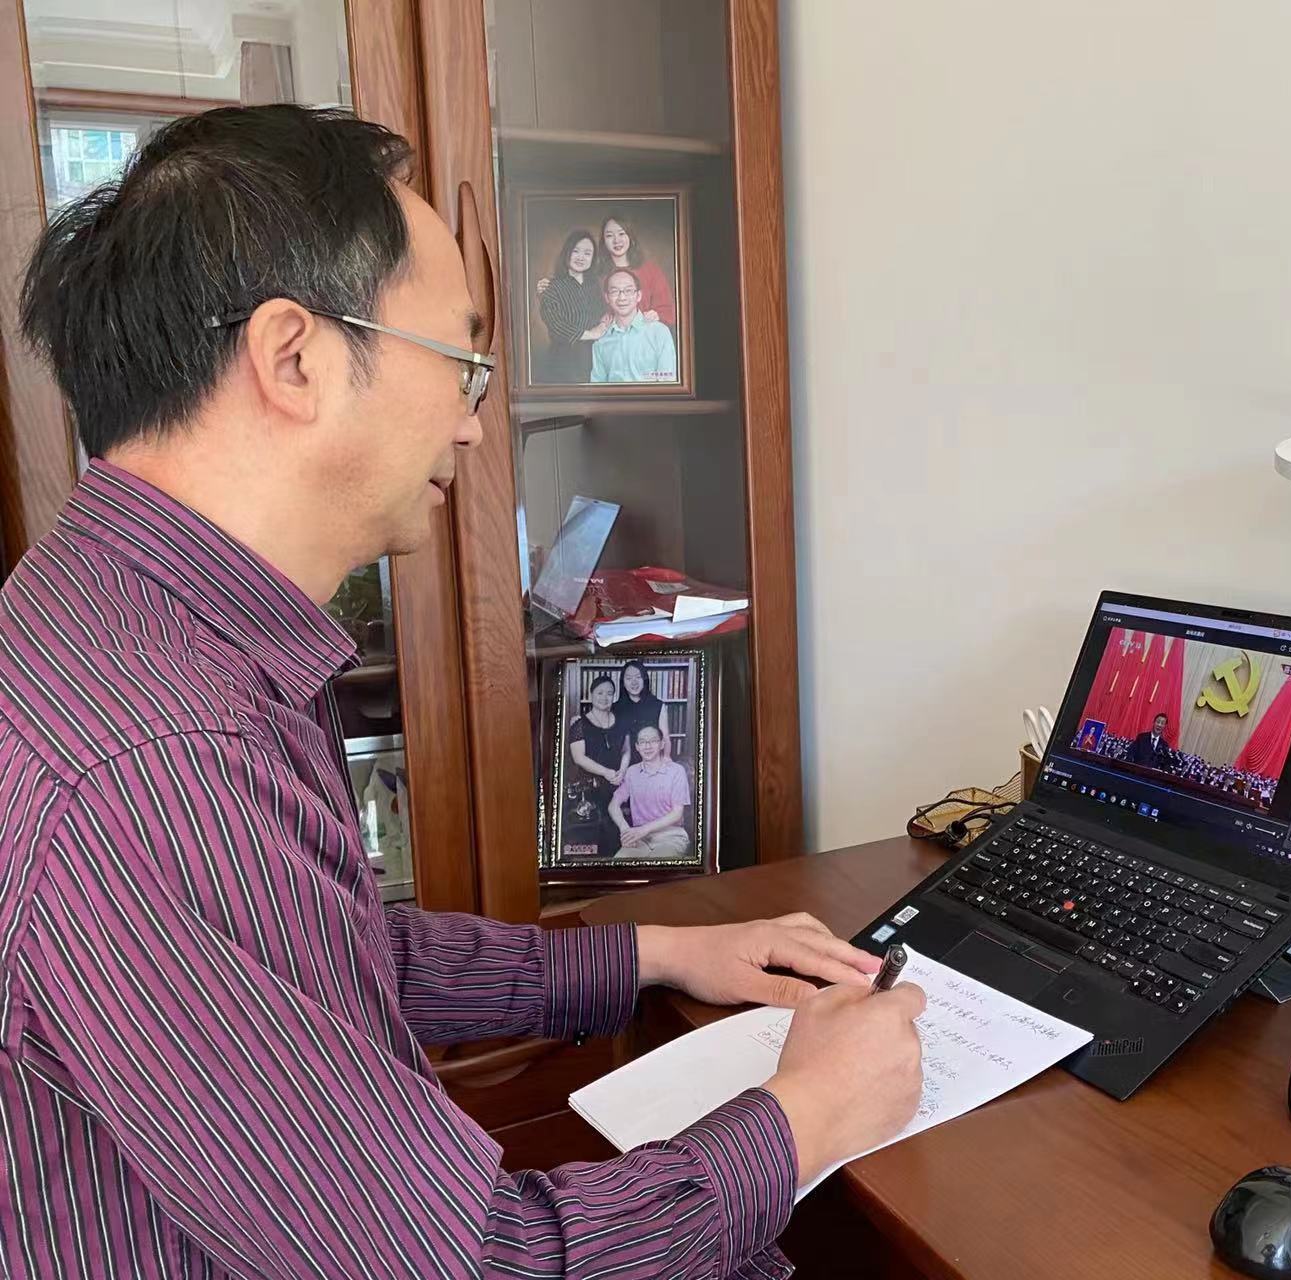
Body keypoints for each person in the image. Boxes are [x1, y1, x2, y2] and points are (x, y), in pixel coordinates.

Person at [0, 104, 925, 1279]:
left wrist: (649, 951)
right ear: (293, 358)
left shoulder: (111, 618)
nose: (475, 425)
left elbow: (319, 957)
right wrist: (809, 1115)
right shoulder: (160, 757)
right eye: (461, 364)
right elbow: (475, 1263)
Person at [535, 227, 608, 382]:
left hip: (596, 355)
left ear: (593, 258)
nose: (581, 257)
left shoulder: (595, 285)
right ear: (567, 253)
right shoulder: (551, 287)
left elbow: (604, 311)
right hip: (565, 361)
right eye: (576, 251)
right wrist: (591, 334)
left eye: (587, 253)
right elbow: (556, 324)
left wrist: (602, 325)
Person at [611, 725, 694, 858]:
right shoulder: (632, 772)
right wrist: (625, 830)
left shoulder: (676, 771)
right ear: (637, 747)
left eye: (653, 741)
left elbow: (677, 814)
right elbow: (613, 805)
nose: (647, 746)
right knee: (618, 864)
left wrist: (643, 830)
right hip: (639, 839)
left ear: (662, 744)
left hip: (671, 836)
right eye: (642, 742)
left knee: (657, 866)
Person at [568, 674, 628, 855]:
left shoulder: (622, 722)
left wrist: (622, 771)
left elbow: (626, 750)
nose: (604, 697)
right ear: (591, 694)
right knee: (596, 836)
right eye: (600, 693)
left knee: (621, 835)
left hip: (618, 783)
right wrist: (606, 772)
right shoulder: (579, 724)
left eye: (609, 693)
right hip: (590, 787)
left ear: (614, 696)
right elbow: (579, 758)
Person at [590, 268, 678, 383]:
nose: (622, 298)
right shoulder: (601, 340)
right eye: (615, 291)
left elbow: (668, 379)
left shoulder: (659, 332)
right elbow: (597, 384)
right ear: (607, 297)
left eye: (628, 291)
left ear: (639, 295)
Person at [596, 212, 676, 327]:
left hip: (647, 332)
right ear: (603, 241)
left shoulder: (651, 270)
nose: (616, 240)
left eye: (621, 233)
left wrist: (656, 315)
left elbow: (668, 311)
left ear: (630, 237)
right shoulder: (597, 274)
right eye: (609, 235)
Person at [614, 658, 673, 758]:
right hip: (622, 762)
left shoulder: (658, 705)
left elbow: (665, 737)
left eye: (638, 677)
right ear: (623, 682)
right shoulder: (614, 708)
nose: (634, 682)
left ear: (645, 680)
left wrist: (666, 759)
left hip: (652, 760)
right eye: (629, 678)